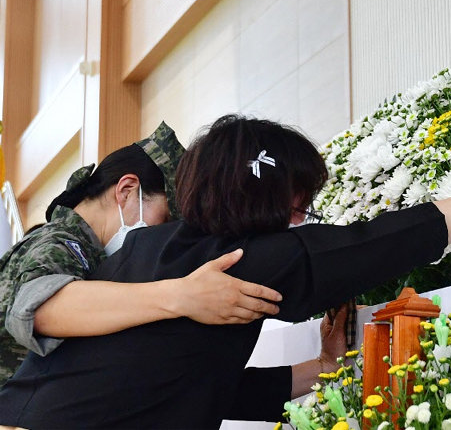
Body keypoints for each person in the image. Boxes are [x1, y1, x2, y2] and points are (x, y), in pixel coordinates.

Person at [0, 114, 451, 428]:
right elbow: (390, 239)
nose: (303, 218)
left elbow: (196, 380)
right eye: (300, 202)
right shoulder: (252, 261)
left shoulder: (148, 250)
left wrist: (317, 370)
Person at [0, 122, 282, 385]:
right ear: (126, 190)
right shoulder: (60, 241)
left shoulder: (102, 262)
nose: (165, 236)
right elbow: (42, 309)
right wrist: (183, 296)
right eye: (166, 218)